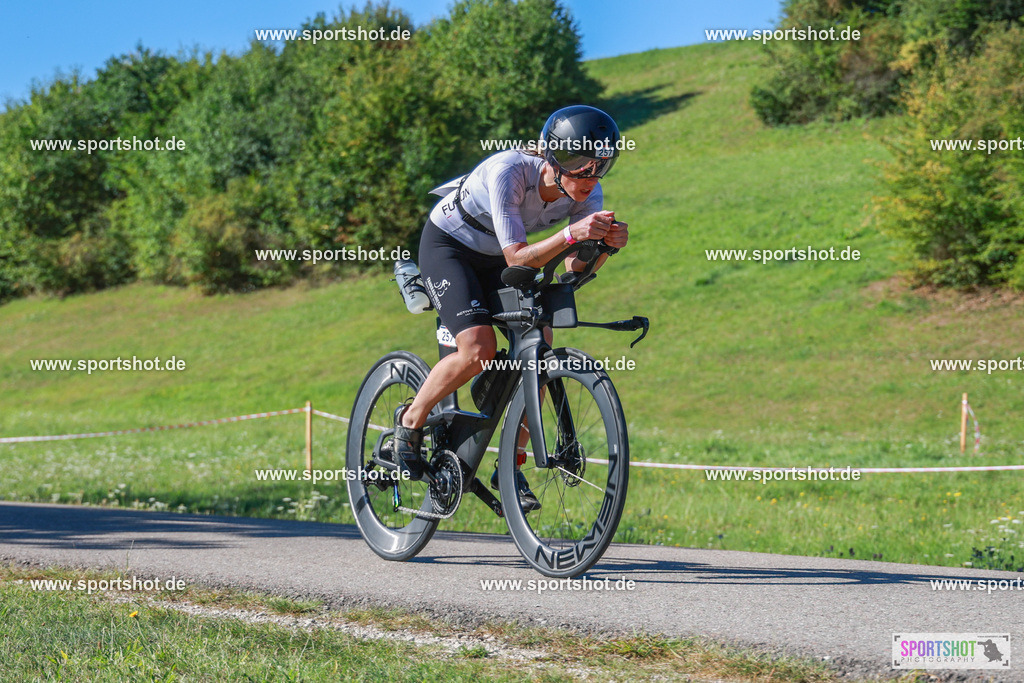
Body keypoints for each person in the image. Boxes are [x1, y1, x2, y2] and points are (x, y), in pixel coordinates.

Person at [394, 104, 629, 511]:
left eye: (599, 166)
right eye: (578, 164)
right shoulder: (509, 171)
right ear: (553, 159)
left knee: (541, 347)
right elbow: (520, 258)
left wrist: (604, 247)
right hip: (452, 247)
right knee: (478, 349)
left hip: (501, 256)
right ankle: (409, 421)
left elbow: (573, 268)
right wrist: (572, 234)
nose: (589, 177)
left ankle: (510, 467)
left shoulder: (589, 191)